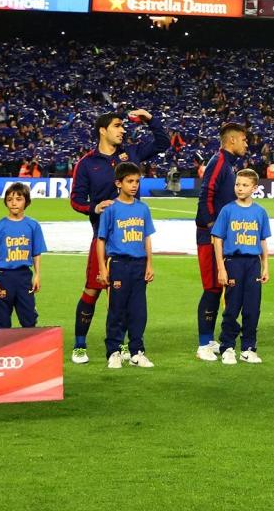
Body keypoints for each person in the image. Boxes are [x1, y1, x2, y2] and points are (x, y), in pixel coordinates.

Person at [67, 108, 169, 364]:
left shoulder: (131, 153)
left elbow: (163, 143)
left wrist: (150, 120)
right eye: (117, 126)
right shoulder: (87, 163)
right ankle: (80, 345)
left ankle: (123, 346)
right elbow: (76, 200)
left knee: (125, 297)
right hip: (103, 239)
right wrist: (94, 207)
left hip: (132, 241)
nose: (122, 130)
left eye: (123, 126)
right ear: (103, 130)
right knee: (92, 290)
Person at [195, 122, 251, 362]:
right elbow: (206, 194)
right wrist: (212, 228)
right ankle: (204, 344)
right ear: (232, 140)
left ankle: (213, 339)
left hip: (223, 237)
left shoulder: (228, 164)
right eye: (244, 140)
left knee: (222, 287)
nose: (246, 144)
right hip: (210, 238)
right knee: (212, 288)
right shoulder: (219, 162)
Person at [210, 167, 271, 364]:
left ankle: (248, 348)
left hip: (253, 263)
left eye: (245, 185)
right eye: (237, 184)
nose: (240, 188)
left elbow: (262, 241)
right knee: (232, 308)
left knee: (253, 309)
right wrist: (221, 267)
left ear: (254, 188)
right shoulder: (227, 210)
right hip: (233, 263)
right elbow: (217, 239)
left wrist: (266, 266)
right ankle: (227, 346)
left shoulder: (260, 212)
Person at [98, 163, 155, 369]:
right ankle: (114, 351)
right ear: (118, 183)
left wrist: (150, 263)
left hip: (139, 264)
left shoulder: (143, 208)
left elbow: (146, 237)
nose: (134, 185)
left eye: (137, 181)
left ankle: (137, 351)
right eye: (130, 181)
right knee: (117, 310)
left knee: (139, 311)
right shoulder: (110, 208)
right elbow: (101, 240)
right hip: (119, 264)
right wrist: (103, 268)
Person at [0, 182, 45, 329]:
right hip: (3, 277)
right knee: (2, 320)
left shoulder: (33, 226)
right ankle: (3, 350)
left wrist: (37, 275)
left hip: (24, 277)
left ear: (27, 201)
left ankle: (29, 349)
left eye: (18, 199)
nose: (14, 203)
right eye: (10, 199)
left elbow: (36, 252)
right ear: (5, 202)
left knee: (29, 318)